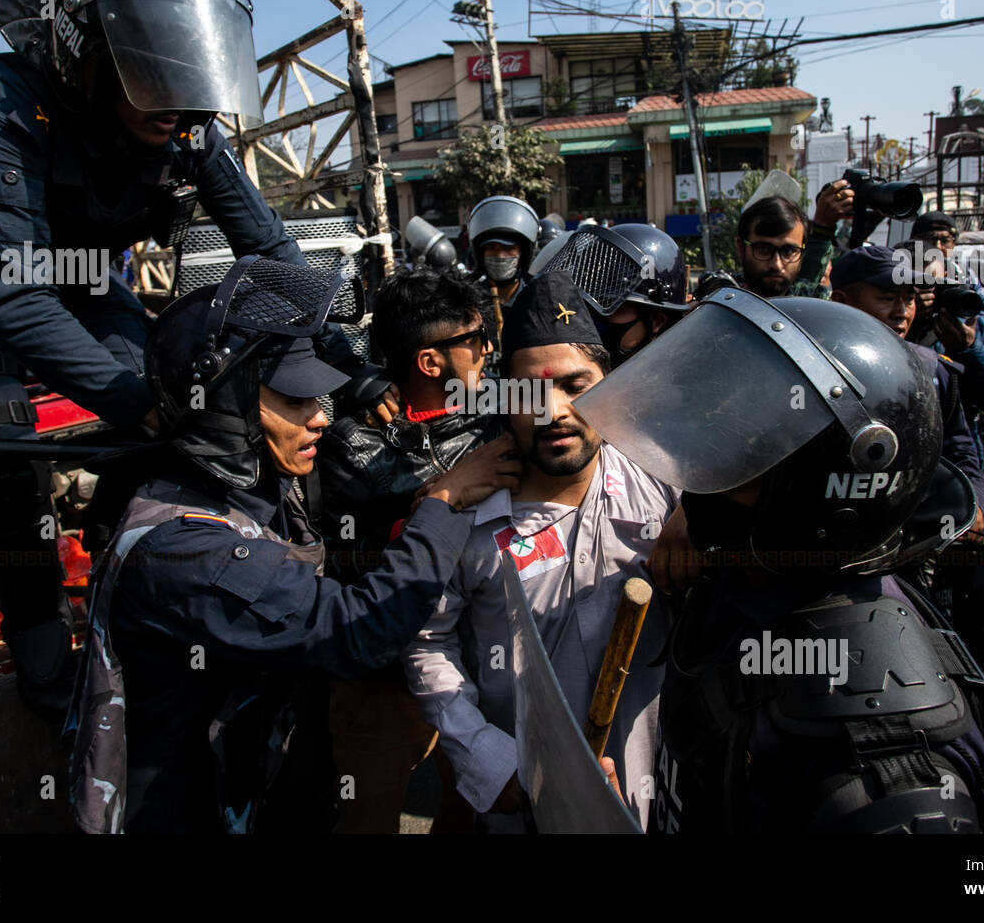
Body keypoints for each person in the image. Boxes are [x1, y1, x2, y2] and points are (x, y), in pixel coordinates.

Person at [0, 0, 373, 717]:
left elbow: (267, 248)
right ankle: (41, 642)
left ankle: (134, 581)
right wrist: (147, 405)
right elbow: (12, 296)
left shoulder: (183, 121)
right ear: (89, 57)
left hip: (83, 282)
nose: (179, 103)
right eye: (150, 70)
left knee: (179, 413)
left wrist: (349, 361)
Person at [67, 268, 520, 833]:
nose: (321, 417)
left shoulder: (254, 489)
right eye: (294, 398)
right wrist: (443, 501)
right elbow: (358, 628)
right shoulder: (186, 548)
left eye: (319, 396)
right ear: (224, 406)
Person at [572, 293, 984, 834]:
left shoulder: (878, 748)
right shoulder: (750, 582)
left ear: (818, 492)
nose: (703, 474)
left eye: (740, 452)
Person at [402, 273, 685, 831]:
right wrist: (485, 755)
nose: (553, 411)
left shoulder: (667, 487)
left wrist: (696, 514)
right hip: (522, 801)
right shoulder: (464, 514)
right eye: (529, 391)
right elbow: (426, 641)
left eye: (577, 386)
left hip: (652, 788)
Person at [317, 265, 501, 832]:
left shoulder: (494, 418)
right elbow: (344, 553)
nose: (489, 351)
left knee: (475, 804)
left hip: (464, 668)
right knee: (367, 817)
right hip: (382, 682)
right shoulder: (353, 441)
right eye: (474, 341)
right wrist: (448, 494)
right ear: (430, 361)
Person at [829, 245, 984, 533]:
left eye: (910, 298)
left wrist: (972, 501)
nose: (902, 312)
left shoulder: (931, 370)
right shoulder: (806, 367)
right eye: (888, 298)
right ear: (841, 301)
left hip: (906, 533)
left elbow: (959, 446)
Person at [898, 240, 984, 466]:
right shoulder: (885, 321)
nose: (925, 297)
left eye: (933, 285)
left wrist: (969, 350)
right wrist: (908, 323)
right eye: (912, 290)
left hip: (954, 460)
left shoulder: (972, 327)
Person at [528, 222, 690, 367]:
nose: (589, 318)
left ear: (657, 321)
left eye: (610, 305)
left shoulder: (674, 386)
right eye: (585, 304)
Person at [911, 211, 984, 334]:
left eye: (945, 240)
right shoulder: (900, 272)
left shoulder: (961, 273)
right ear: (914, 241)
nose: (938, 247)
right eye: (929, 239)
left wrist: (965, 323)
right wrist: (910, 308)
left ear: (954, 244)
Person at [467, 195, 539, 356]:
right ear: (480, 253)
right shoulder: (469, 301)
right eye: (492, 248)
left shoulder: (535, 299)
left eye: (508, 248)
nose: (499, 255)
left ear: (523, 253)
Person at [734, 193, 839, 300]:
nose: (776, 265)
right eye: (763, 249)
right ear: (741, 248)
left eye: (788, 251)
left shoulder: (816, 302)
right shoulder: (720, 298)